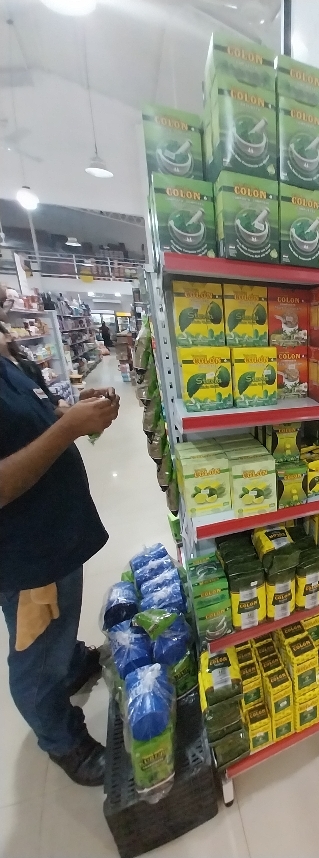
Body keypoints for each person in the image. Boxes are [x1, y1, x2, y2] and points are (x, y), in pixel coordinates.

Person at [0, 323, 120, 787]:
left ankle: (70, 663)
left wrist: (70, 411)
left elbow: (28, 418)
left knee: (59, 626)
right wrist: (68, 429)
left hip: (55, 534)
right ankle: (61, 738)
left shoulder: (8, 359)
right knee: (35, 655)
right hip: (25, 553)